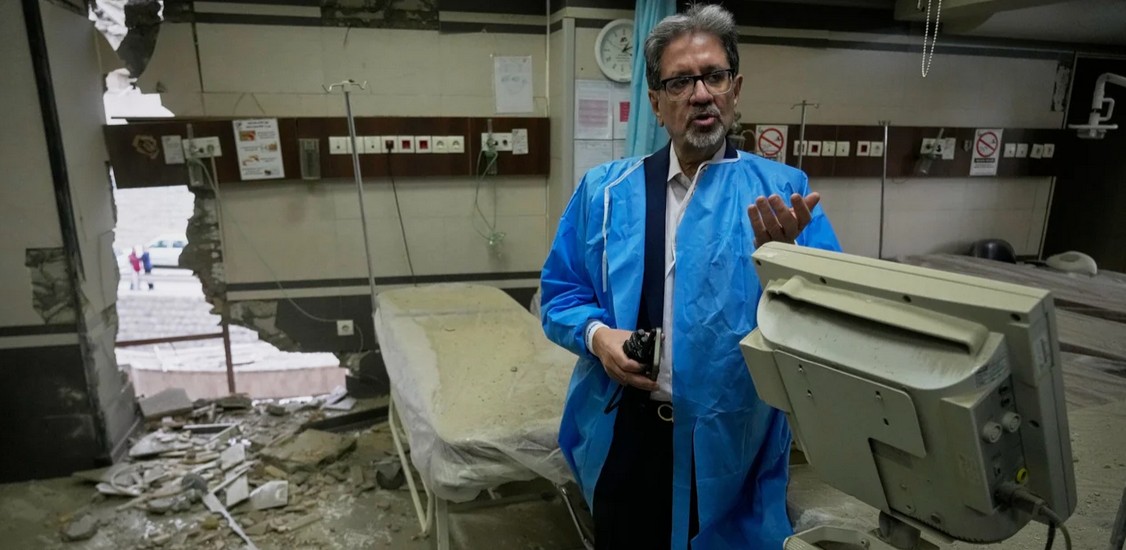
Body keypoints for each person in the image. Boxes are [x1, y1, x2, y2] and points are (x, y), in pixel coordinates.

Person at [539, 5, 841, 549]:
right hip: (625, 434)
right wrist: (597, 336)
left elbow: (829, 322)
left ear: (734, 89)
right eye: (680, 81)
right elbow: (561, 293)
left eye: (714, 76)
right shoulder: (605, 193)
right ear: (656, 102)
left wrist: (784, 266)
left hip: (731, 443)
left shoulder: (782, 196)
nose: (700, 94)